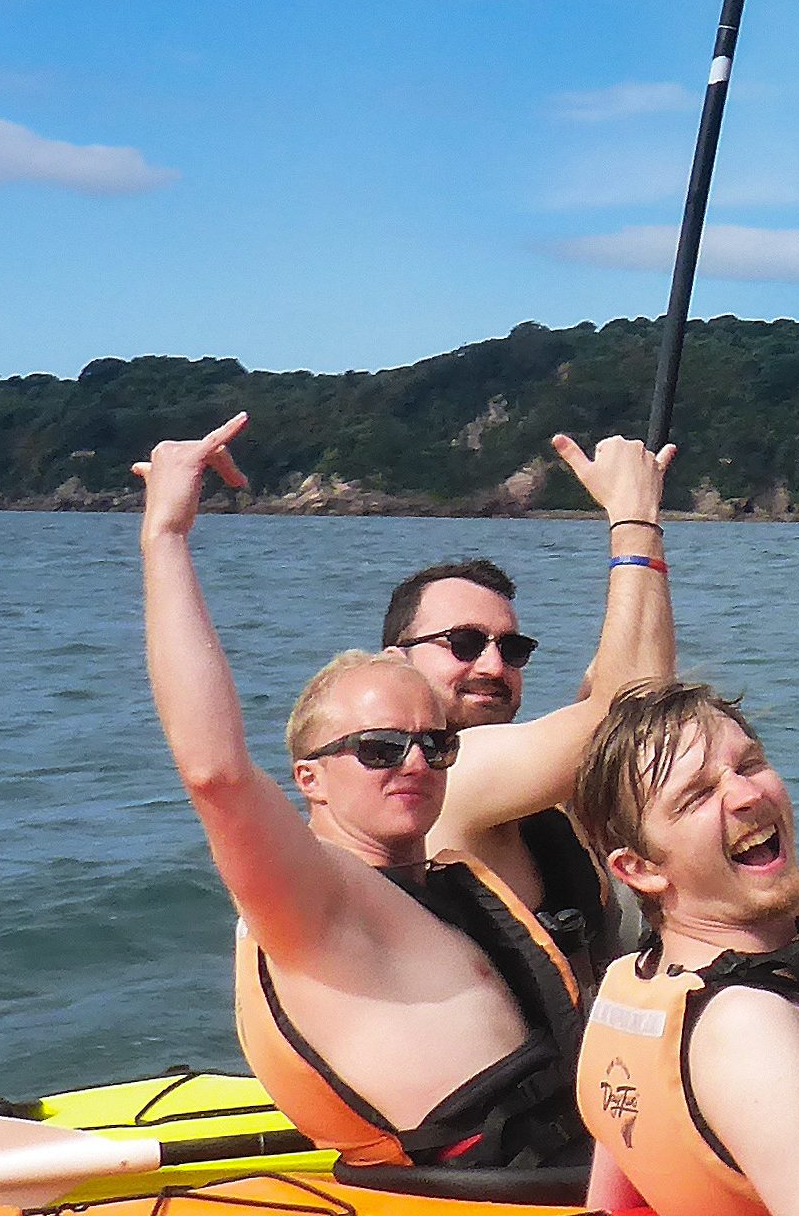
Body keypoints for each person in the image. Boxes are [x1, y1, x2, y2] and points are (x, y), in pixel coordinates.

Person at [136, 417, 587, 1174]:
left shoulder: (423, 883)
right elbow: (215, 773)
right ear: (308, 778)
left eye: (435, 746)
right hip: (498, 1189)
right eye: (378, 749)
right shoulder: (315, 896)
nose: (415, 764)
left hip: (563, 1160)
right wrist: (167, 538)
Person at [567, 682, 799, 1216]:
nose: (746, 795)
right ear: (640, 869)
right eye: (696, 796)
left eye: (750, 764)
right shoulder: (748, 1029)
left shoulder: (627, 990)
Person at [382, 433, 679, 974]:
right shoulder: (443, 779)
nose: (493, 667)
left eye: (512, 649)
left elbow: (628, 690)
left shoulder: (534, 789)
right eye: (463, 644)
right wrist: (634, 521)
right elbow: (632, 711)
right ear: (395, 662)